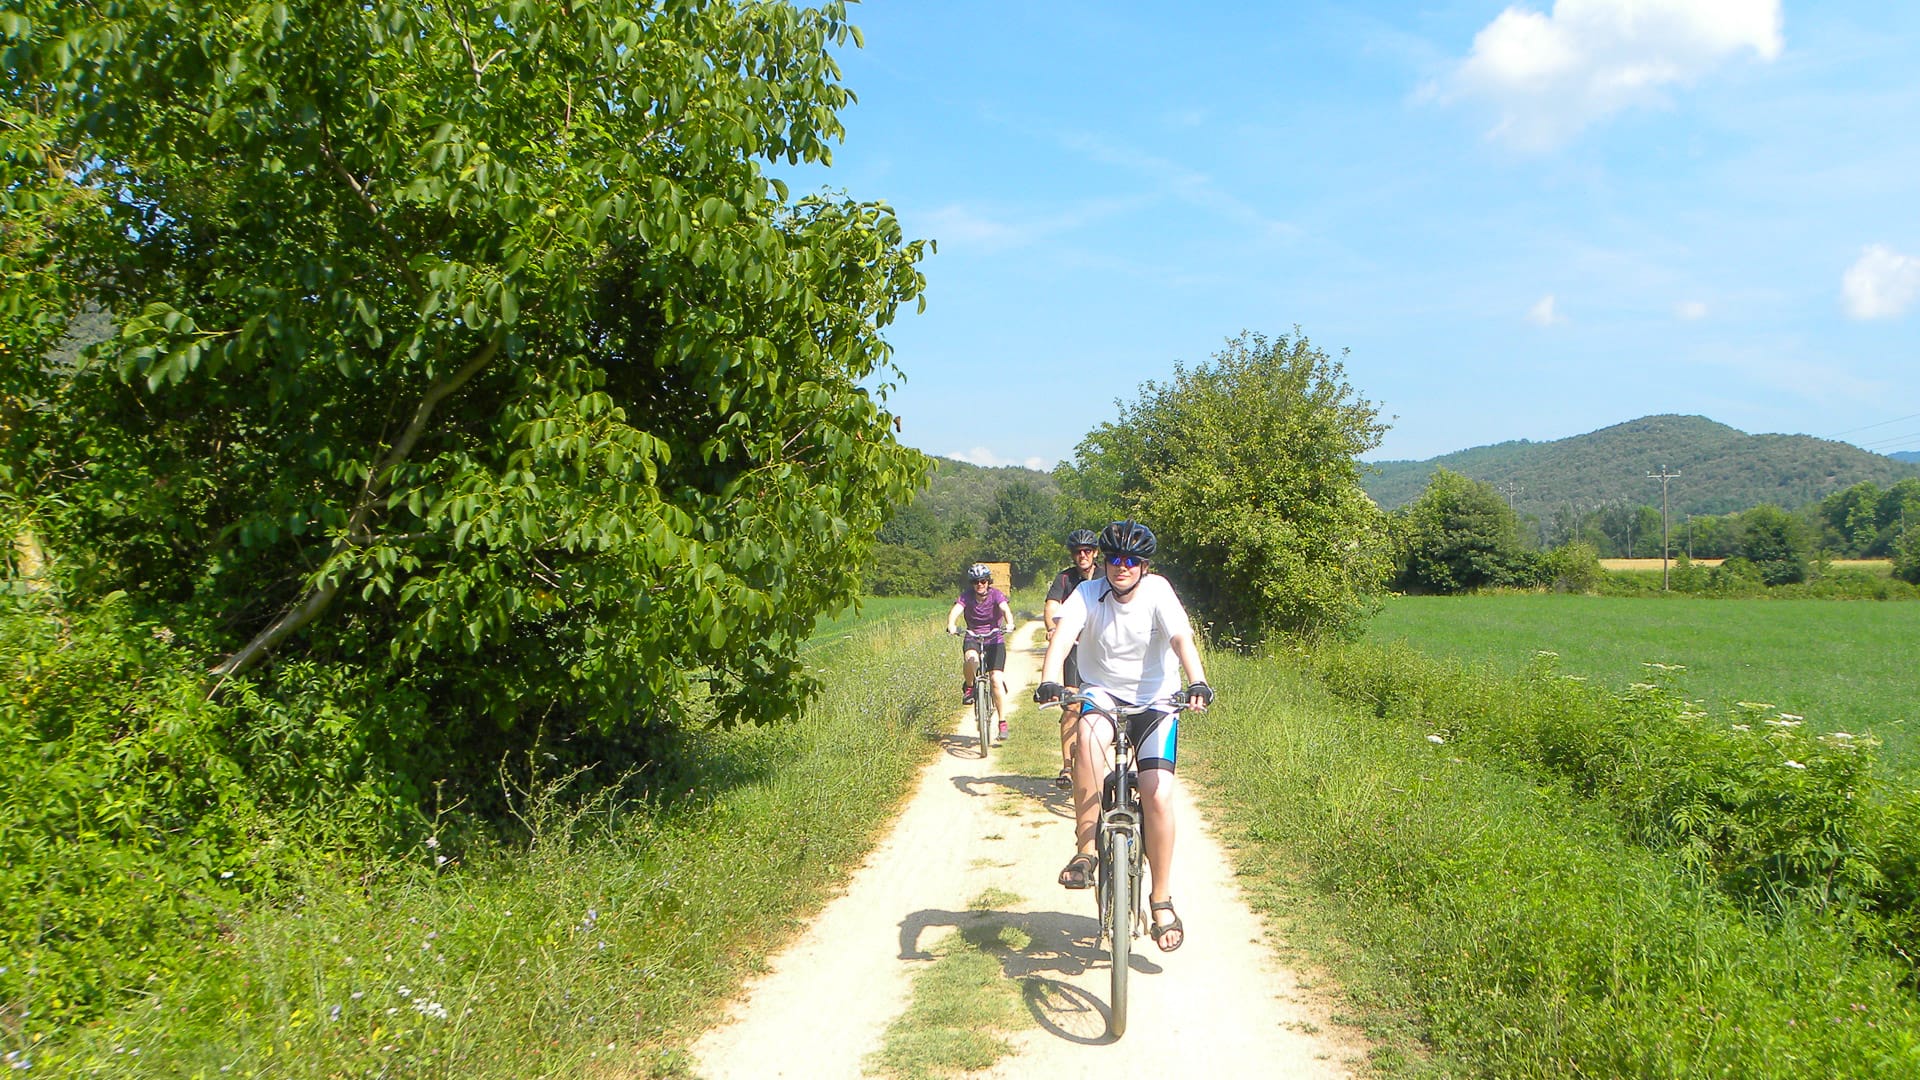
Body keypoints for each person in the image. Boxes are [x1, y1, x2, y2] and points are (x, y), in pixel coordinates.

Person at [1034, 521, 1213, 953]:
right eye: (1114, 559)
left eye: (1132, 561)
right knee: (1088, 745)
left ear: (1144, 566)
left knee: (1156, 793)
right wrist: (1049, 679)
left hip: (1155, 701)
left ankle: (1161, 900)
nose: (1122, 567)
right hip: (1102, 693)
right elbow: (1062, 640)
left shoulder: (1158, 592)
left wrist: (1198, 682)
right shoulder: (1086, 594)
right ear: (1105, 563)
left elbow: (1180, 638)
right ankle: (1086, 852)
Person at [1043, 529, 1103, 790]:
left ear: (1095, 553)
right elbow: (1052, 606)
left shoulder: (1105, 576)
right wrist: (1053, 628)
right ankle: (1067, 767)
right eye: (1078, 552)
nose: (1082, 555)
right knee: (1071, 705)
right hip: (1076, 648)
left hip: (1102, 649)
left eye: (1087, 551)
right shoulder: (1065, 578)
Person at [946, 563, 1015, 741]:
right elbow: (956, 611)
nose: (980, 584)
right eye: (976, 581)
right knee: (971, 659)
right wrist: (951, 625)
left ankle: (1002, 722)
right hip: (972, 636)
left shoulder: (996, 595)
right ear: (972, 583)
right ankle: (969, 687)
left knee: (996, 680)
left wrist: (1009, 623)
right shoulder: (966, 597)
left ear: (988, 581)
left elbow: (1005, 609)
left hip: (995, 639)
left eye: (983, 581)